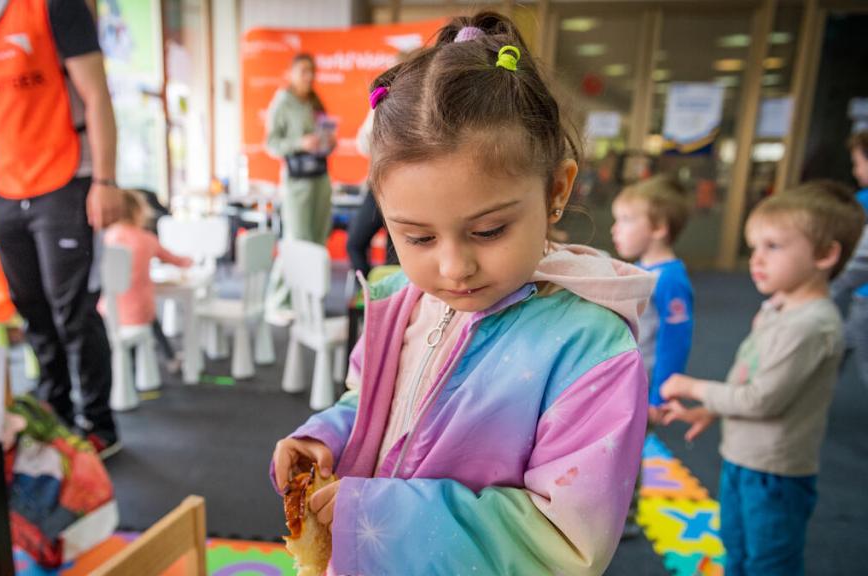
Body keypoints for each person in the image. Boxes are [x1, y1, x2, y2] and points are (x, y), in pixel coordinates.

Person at [269, 13, 655, 574]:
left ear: (556, 189)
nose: (454, 267)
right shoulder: (401, 304)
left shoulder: (589, 352)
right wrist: (326, 436)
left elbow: (568, 543)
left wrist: (379, 517)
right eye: (417, 236)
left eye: (489, 230)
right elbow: (375, 405)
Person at [660, 181, 864, 576]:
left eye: (773, 247)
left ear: (825, 254)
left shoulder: (811, 326)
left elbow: (761, 400)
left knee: (770, 563)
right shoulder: (777, 309)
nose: (756, 260)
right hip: (741, 458)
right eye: (754, 247)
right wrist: (710, 410)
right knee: (735, 549)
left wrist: (691, 387)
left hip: (774, 473)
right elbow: (749, 375)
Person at [0, 0, 122, 456]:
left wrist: (105, 180)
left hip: (66, 177)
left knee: (74, 312)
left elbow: (97, 94)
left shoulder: (56, 6)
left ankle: (98, 425)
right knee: (32, 311)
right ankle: (56, 414)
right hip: (4, 185)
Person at [610, 175, 694, 537]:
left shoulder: (670, 278)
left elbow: (677, 339)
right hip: (630, 377)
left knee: (628, 451)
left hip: (646, 384)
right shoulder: (644, 270)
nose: (616, 229)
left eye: (627, 220)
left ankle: (625, 518)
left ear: (658, 228)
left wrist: (662, 394)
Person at [264, 53, 336, 323]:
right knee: (296, 240)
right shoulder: (282, 102)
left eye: (312, 71)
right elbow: (272, 144)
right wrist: (299, 142)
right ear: (292, 72)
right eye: (303, 71)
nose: (309, 76)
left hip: (320, 177)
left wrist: (327, 141)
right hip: (297, 183)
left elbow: (324, 138)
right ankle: (276, 300)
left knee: (317, 242)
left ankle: (306, 300)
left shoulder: (315, 101)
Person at [100, 190, 192, 370]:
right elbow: (177, 261)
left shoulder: (107, 237)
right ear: (138, 211)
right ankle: (171, 358)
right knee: (148, 315)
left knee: (128, 311)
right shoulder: (146, 239)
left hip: (107, 312)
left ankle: (126, 364)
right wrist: (192, 260)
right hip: (139, 311)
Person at [831, 131, 868, 388]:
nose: (855, 172)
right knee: (838, 347)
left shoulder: (862, 203)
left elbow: (860, 259)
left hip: (864, 300)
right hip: (859, 300)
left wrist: (817, 287)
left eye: (858, 163)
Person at [345, 109, 397, 278]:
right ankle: (369, 291)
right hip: (376, 188)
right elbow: (363, 144)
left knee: (396, 253)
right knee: (355, 243)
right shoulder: (380, 102)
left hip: (402, 189)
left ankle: (393, 300)